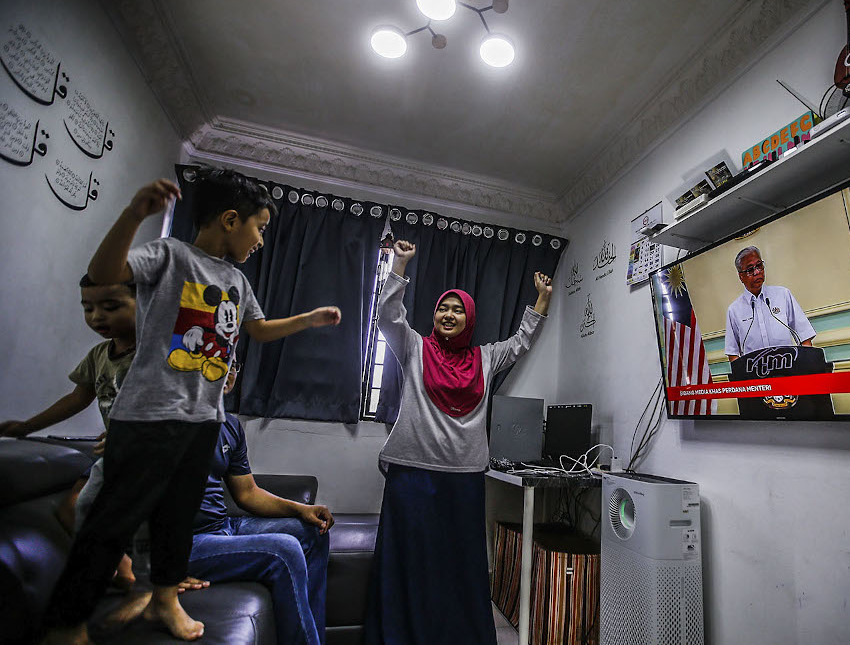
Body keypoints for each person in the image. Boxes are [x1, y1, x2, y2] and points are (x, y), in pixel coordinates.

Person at [43, 169, 342, 645]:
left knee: (176, 519)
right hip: (147, 414)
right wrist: (134, 214)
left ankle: (165, 598)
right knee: (111, 522)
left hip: (204, 418)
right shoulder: (170, 255)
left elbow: (259, 331)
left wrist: (307, 319)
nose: (261, 239)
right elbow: (104, 275)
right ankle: (65, 622)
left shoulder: (238, 282)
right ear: (230, 220)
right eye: (259, 227)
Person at [364, 239, 552, 645]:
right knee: (409, 565)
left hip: (463, 479)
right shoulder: (414, 347)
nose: (449, 314)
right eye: (442, 308)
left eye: (458, 310)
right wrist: (399, 265)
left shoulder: (485, 358)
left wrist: (542, 299)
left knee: (458, 567)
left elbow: (521, 342)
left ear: (470, 319)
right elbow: (388, 317)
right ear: (434, 315)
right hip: (411, 477)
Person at [106, 361, 333, 645]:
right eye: (215, 360)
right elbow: (81, 502)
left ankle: (309, 636)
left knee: (312, 532)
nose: (227, 370)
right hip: (184, 544)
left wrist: (301, 509)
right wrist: (136, 573)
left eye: (232, 363)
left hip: (223, 527)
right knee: (283, 550)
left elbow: (248, 493)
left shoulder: (229, 425)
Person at [0, 275, 138, 585]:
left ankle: (144, 580)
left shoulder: (156, 355)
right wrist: (26, 426)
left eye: (110, 306)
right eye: (88, 308)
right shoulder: (99, 356)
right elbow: (77, 399)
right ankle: (123, 569)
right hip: (112, 455)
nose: (97, 316)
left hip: (145, 452)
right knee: (73, 507)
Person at [724, 246, 816, 361]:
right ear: (741, 276)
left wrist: (807, 365)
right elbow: (733, 354)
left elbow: (805, 337)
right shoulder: (734, 310)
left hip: (788, 368)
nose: (757, 272)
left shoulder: (783, 295)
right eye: (750, 269)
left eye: (759, 266)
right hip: (755, 375)